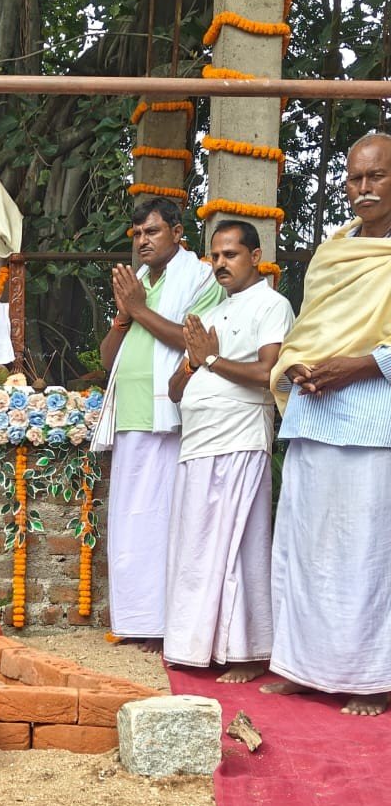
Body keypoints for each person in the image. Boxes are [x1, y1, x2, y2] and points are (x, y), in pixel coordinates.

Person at [261, 132, 391, 716]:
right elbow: (310, 330)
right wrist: (301, 368)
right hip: (315, 414)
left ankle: (370, 678)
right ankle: (302, 664)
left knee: (365, 551)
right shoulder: (336, 246)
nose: (363, 189)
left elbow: (361, 348)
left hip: (372, 419)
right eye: (355, 178)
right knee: (302, 546)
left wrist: (359, 365)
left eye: (377, 177)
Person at [92, 196, 223, 652]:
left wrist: (139, 307)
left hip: (170, 416)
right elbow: (109, 358)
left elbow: (195, 342)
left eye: (152, 231)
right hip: (130, 415)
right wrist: (126, 314)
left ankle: (165, 625)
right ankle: (137, 620)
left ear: (177, 231)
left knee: (164, 522)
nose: (142, 241)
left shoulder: (201, 276)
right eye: (138, 234)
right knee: (131, 523)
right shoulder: (142, 282)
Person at [164, 220, 293, 682]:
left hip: (240, 439)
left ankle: (245, 653)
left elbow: (268, 374)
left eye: (230, 255)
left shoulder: (273, 305)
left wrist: (212, 361)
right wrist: (195, 362)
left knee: (237, 547)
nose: (220, 263)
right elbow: (178, 389)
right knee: (197, 546)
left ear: (255, 256)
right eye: (215, 256)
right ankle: (195, 645)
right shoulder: (212, 314)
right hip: (198, 443)